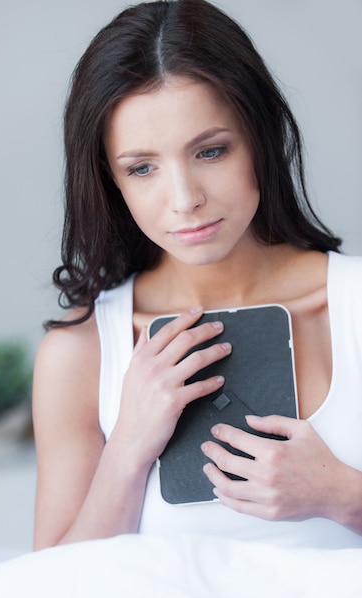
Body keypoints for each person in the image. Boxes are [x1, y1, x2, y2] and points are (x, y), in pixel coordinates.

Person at [32, 0, 362, 551]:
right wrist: (129, 449)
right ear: (109, 181)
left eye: (210, 151)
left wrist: (341, 495)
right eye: (142, 167)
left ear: (262, 138)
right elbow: (55, 592)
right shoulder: (82, 352)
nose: (185, 199)